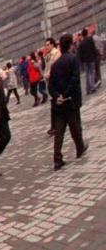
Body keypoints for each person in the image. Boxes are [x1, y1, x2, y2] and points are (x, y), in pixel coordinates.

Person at [48, 32, 88, 170]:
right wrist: (65, 95)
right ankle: (80, 147)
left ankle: (57, 159)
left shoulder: (55, 65)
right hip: (71, 100)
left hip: (59, 103)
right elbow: (75, 79)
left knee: (59, 132)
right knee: (75, 126)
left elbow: (50, 86)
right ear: (70, 45)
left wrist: (57, 96)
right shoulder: (73, 59)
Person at [78, 28, 98, 95]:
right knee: (92, 73)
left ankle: (88, 89)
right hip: (91, 59)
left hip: (85, 61)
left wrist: (81, 62)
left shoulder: (81, 43)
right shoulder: (90, 39)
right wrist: (95, 56)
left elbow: (80, 54)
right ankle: (92, 87)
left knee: (87, 74)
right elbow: (93, 48)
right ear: (86, 33)